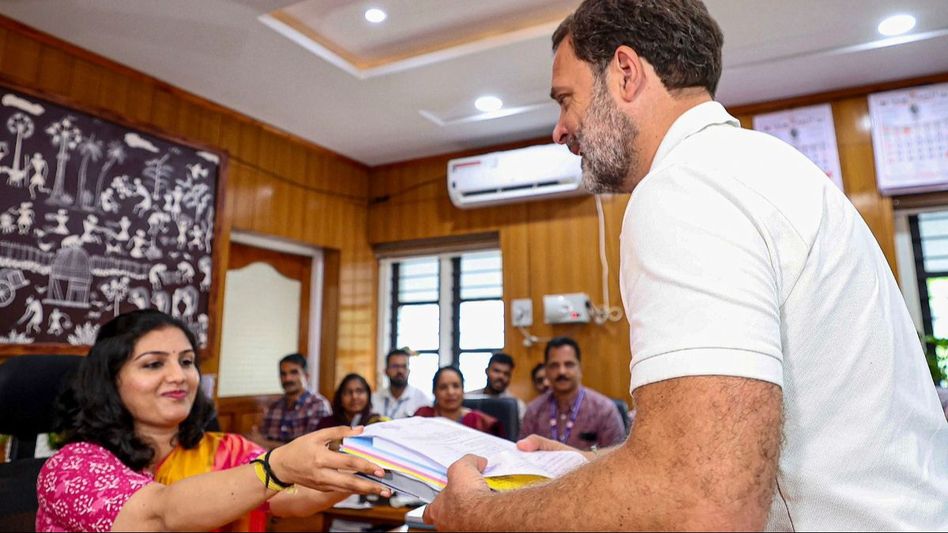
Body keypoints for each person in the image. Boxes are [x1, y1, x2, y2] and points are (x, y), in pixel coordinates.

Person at [424, 0, 948, 530]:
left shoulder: (684, 188)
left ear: (625, 73)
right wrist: (597, 469)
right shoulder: (766, 166)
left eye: (566, 99)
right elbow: (741, 453)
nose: (560, 130)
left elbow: (703, 504)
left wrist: (480, 514)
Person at [36, 309, 390, 532]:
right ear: (110, 380)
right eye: (154, 363)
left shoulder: (226, 451)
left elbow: (292, 495)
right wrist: (275, 468)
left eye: (187, 361)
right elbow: (158, 515)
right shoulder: (71, 467)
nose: (179, 376)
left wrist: (364, 468)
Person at [519, 337, 624, 451]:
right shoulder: (533, 411)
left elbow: (617, 456)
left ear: (580, 368)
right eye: (554, 365)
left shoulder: (603, 410)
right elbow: (523, 456)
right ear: (547, 370)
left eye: (568, 364)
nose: (561, 371)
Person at [248, 353, 331, 449]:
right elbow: (261, 440)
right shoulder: (274, 406)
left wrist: (265, 443)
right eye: (283, 374)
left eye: (294, 372)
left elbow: (309, 448)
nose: (287, 378)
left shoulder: (318, 405)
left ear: (306, 376)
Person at [414, 366, 503, 438]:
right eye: (443, 387)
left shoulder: (478, 421)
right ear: (434, 392)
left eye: (456, 386)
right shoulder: (423, 415)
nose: (450, 392)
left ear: (463, 390)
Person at [464, 352, 527, 420]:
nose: (501, 376)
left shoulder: (517, 406)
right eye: (496, 371)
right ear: (487, 371)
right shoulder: (468, 399)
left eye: (506, 374)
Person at [371, 348, 429, 419]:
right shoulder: (373, 400)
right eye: (395, 366)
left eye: (404, 366)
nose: (400, 371)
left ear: (409, 371)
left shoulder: (422, 400)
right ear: (386, 371)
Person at [315, 373, 388, 430]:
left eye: (359, 391)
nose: (354, 397)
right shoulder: (326, 424)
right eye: (348, 392)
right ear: (340, 397)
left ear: (368, 395)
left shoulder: (375, 422)